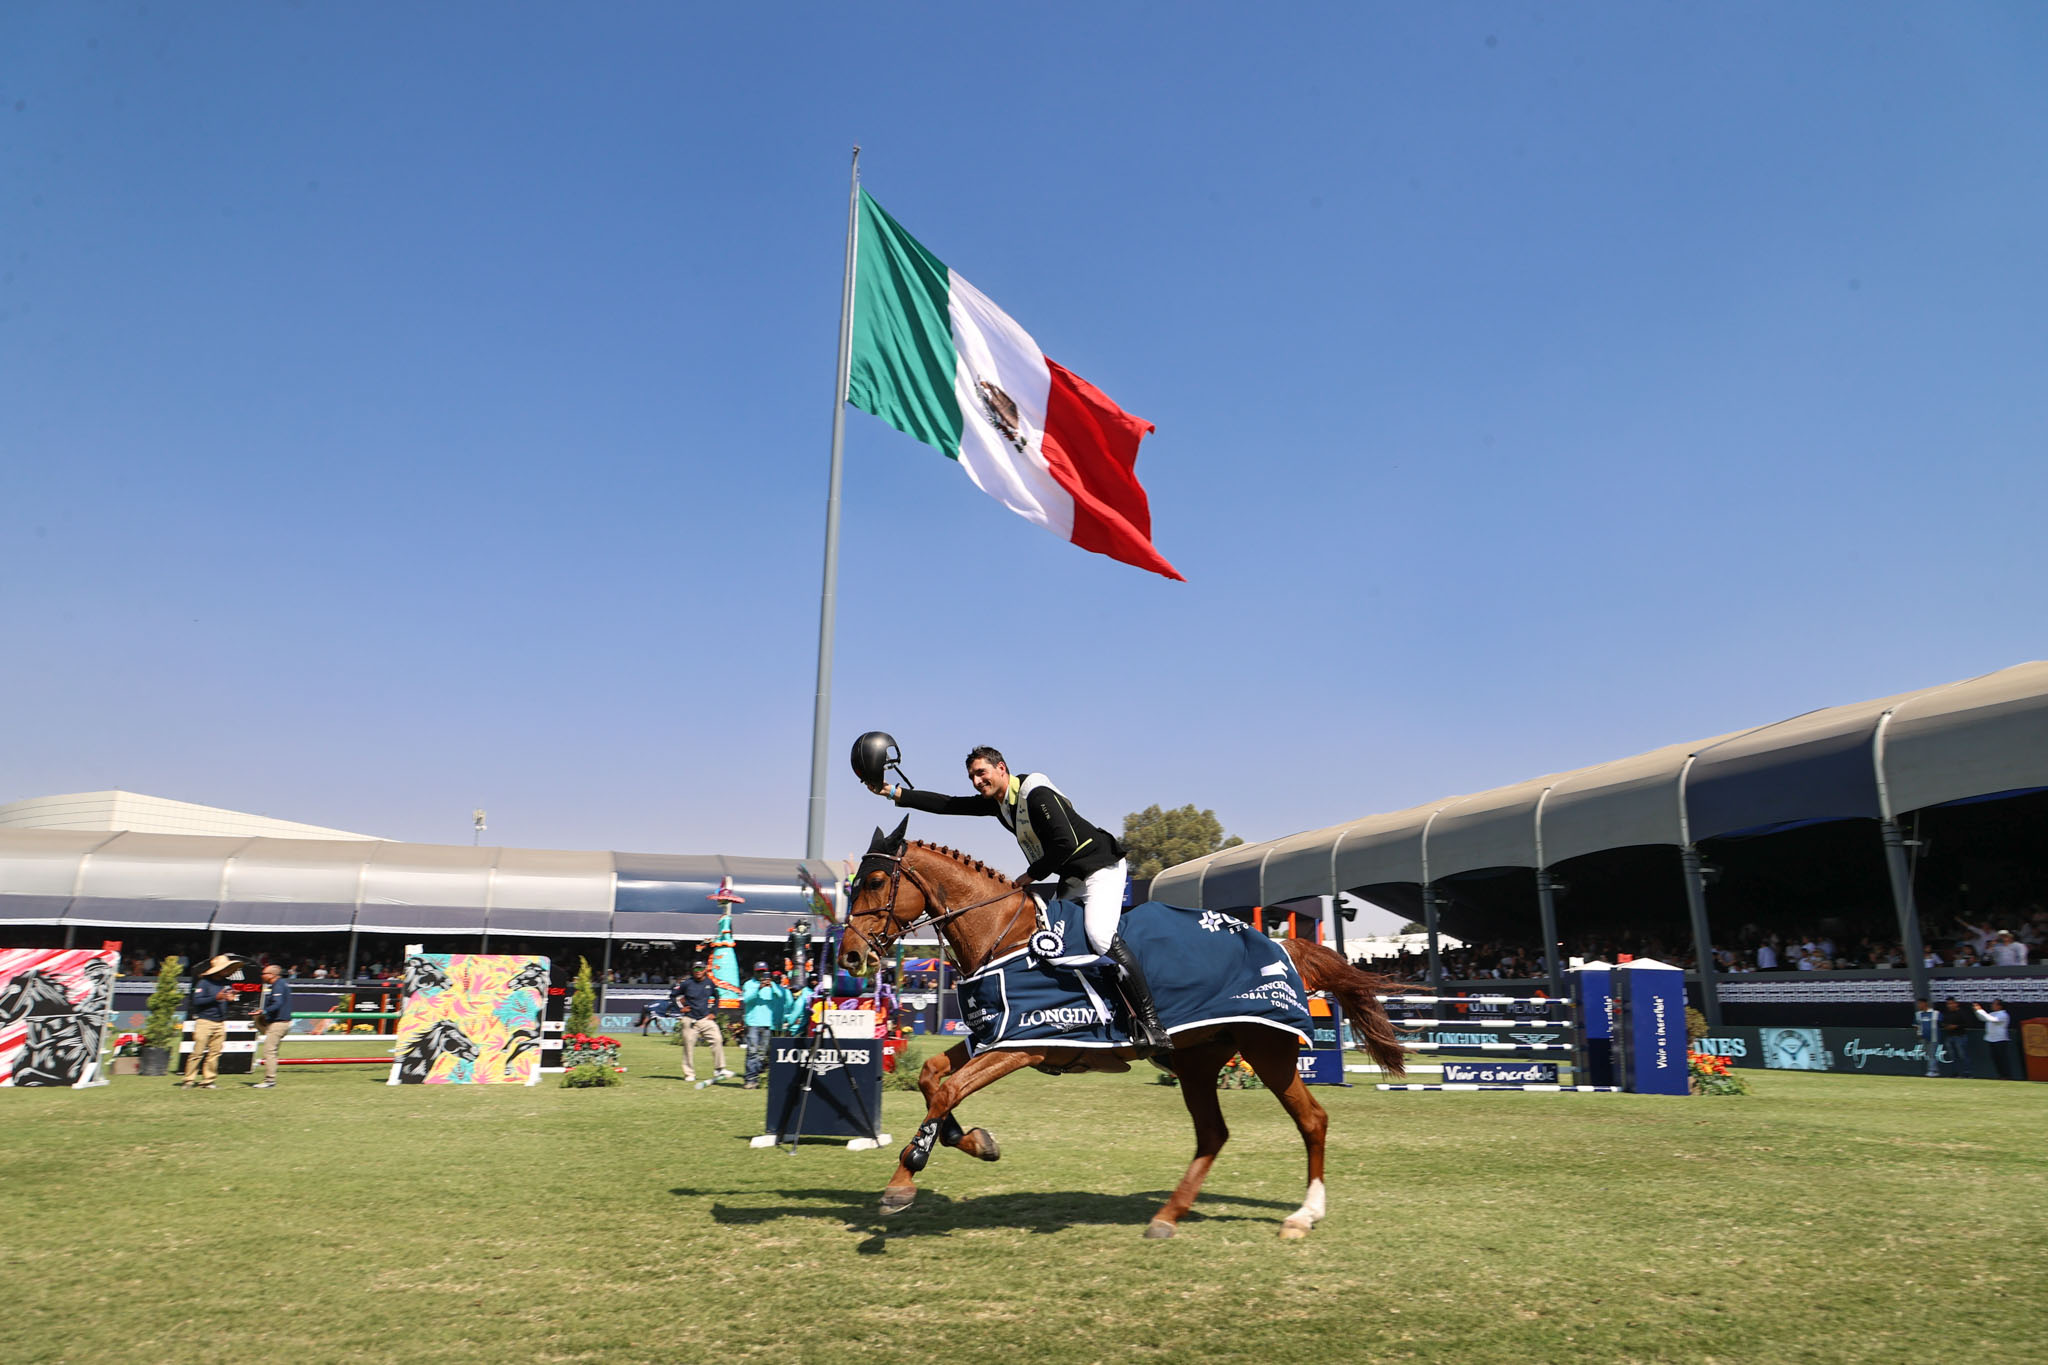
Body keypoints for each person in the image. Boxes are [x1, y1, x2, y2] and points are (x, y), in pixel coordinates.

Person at [870, 744, 1168, 1052]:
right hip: (1073, 877)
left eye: (981, 772)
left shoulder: (1036, 795)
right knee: (1055, 940)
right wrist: (893, 792)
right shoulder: (1000, 803)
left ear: (1002, 768)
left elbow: (1065, 844)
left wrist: (1031, 875)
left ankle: (1152, 1023)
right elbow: (950, 805)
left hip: (1101, 868)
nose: (976, 781)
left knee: (1098, 935)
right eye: (972, 776)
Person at [180, 955, 240, 1089]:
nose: (227, 970)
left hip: (220, 1022)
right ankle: (188, 1080)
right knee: (198, 1052)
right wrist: (215, 997)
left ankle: (208, 1080)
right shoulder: (204, 983)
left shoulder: (227, 983)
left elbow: (228, 1000)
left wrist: (231, 1000)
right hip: (204, 1021)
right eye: (225, 968)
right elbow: (197, 1001)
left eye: (228, 968)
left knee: (215, 1053)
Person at [672, 963, 731, 1085]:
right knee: (688, 1047)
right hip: (690, 1019)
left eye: (700, 969)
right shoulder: (687, 983)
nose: (698, 971)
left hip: (705, 1019)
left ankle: (719, 1069)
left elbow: (717, 996)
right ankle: (689, 1074)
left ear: (705, 970)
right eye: (695, 969)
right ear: (692, 970)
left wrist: (714, 1012)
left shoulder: (709, 983)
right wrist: (680, 1009)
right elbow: (673, 996)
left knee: (717, 1039)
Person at [739, 962, 789, 1089]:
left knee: (762, 1054)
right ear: (754, 971)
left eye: (764, 972)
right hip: (753, 1023)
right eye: (759, 971)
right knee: (752, 1051)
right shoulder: (749, 984)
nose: (762, 974)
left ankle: (756, 1075)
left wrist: (771, 985)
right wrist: (759, 988)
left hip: (767, 1023)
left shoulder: (771, 986)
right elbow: (746, 999)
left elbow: (780, 996)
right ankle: (750, 1079)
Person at [250, 963, 295, 1089]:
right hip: (280, 1023)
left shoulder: (278, 986)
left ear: (271, 975)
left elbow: (277, 1003)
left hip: (279, 1024)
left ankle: (269, 1081)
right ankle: (269, 1080)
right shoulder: (280, 984)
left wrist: (263, 1012)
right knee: (271, 1051)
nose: (262, 976)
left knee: (269, 1052)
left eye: (264, 973)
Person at [1974, 999, 2018, 1080]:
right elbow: (1983, 1018)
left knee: (2002, 1059)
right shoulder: (1992, 1013)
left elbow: (1992, 1019)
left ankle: (2007, 1076)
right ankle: (2001, 1075)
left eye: (1994, 1004)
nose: (1992, 1005)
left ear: (1999, 1006)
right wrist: (1977, 1011)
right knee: (1996, 1059)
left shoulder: (2003, 1014)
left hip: (2000, 1040)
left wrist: (1980, 1010)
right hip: (1991, 1039)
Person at [1938, 998, 1975, 1078]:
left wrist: (1956, 1026)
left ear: (1956, 1004)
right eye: (1948, 1004)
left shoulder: (1961, 1013)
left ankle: (1967, 1073)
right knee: (1952, 1056)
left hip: (1960, 1036)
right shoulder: (1946, 1013)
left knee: (1963, 1055)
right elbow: (1943, 1023)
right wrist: (1946, 1026)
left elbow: (1967, 1023)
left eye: (1952, 1003)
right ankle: (1956, 1073)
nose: (1950, 1005)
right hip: (1950, 1037)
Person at [1913, 998, 1940, 1078]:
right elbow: (1916, 1025)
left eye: (1920, 1004)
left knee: (1932, 1054)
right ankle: (1935, 1071)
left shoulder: (1935, 1013)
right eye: (1918, 1004)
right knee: (1929, 1055)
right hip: (1923, 1038)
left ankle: (1931, 1071)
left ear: (1925, 1004)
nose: (1919, 1005)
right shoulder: (1918, 1014)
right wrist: (1918, 1033)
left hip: (1933, 1038)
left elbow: (1940, 1024)